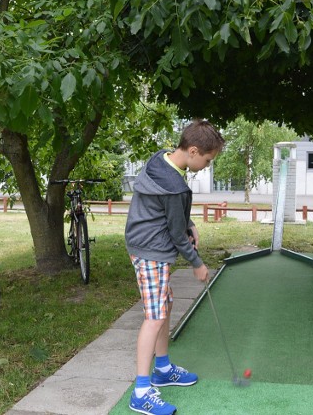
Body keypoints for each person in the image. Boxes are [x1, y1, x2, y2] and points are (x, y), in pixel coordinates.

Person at [125, 120, 225, 415]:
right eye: (207, 160)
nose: (206, 166)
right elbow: (174, 231)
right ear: (193, 151)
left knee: (164, 305)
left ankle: (163, 368)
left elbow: (175, 217)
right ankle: (141, 391)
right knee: (154, 316)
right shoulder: (173, 187)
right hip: (150, 249)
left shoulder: (162, 159)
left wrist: (189, 223)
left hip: (149, 242)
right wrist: (197, 264)